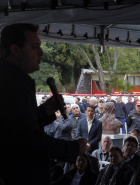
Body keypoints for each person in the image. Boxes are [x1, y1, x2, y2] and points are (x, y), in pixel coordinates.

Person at [0, 23, 86, 185]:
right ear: (15, 50)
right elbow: (31, 140)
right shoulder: (12, 84)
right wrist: (74, 148)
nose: (41, 52)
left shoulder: (14, 80)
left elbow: (20, 128)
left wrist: (45, 111)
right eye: (34, 47)